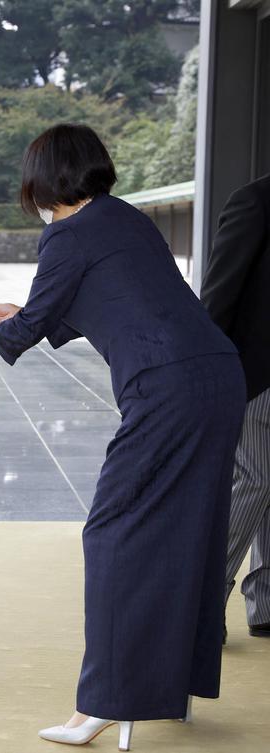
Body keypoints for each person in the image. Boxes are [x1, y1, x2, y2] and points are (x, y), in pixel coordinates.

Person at [0, 124, 245, 749]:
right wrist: (21, 317)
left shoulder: (66, 233)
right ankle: (177, 685)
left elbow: (38, 318)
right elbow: (105, 300)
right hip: (218, 375)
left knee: (115, 531)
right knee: (191, 527)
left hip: (166, 387)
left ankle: (105, 702)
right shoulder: (124, 218)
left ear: (43, 176)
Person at [200, 173, 270, 640]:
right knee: (253, 482)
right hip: (259, 373)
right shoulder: (256, 201)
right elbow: (218, 294)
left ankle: (264, 603)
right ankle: (202, 603)